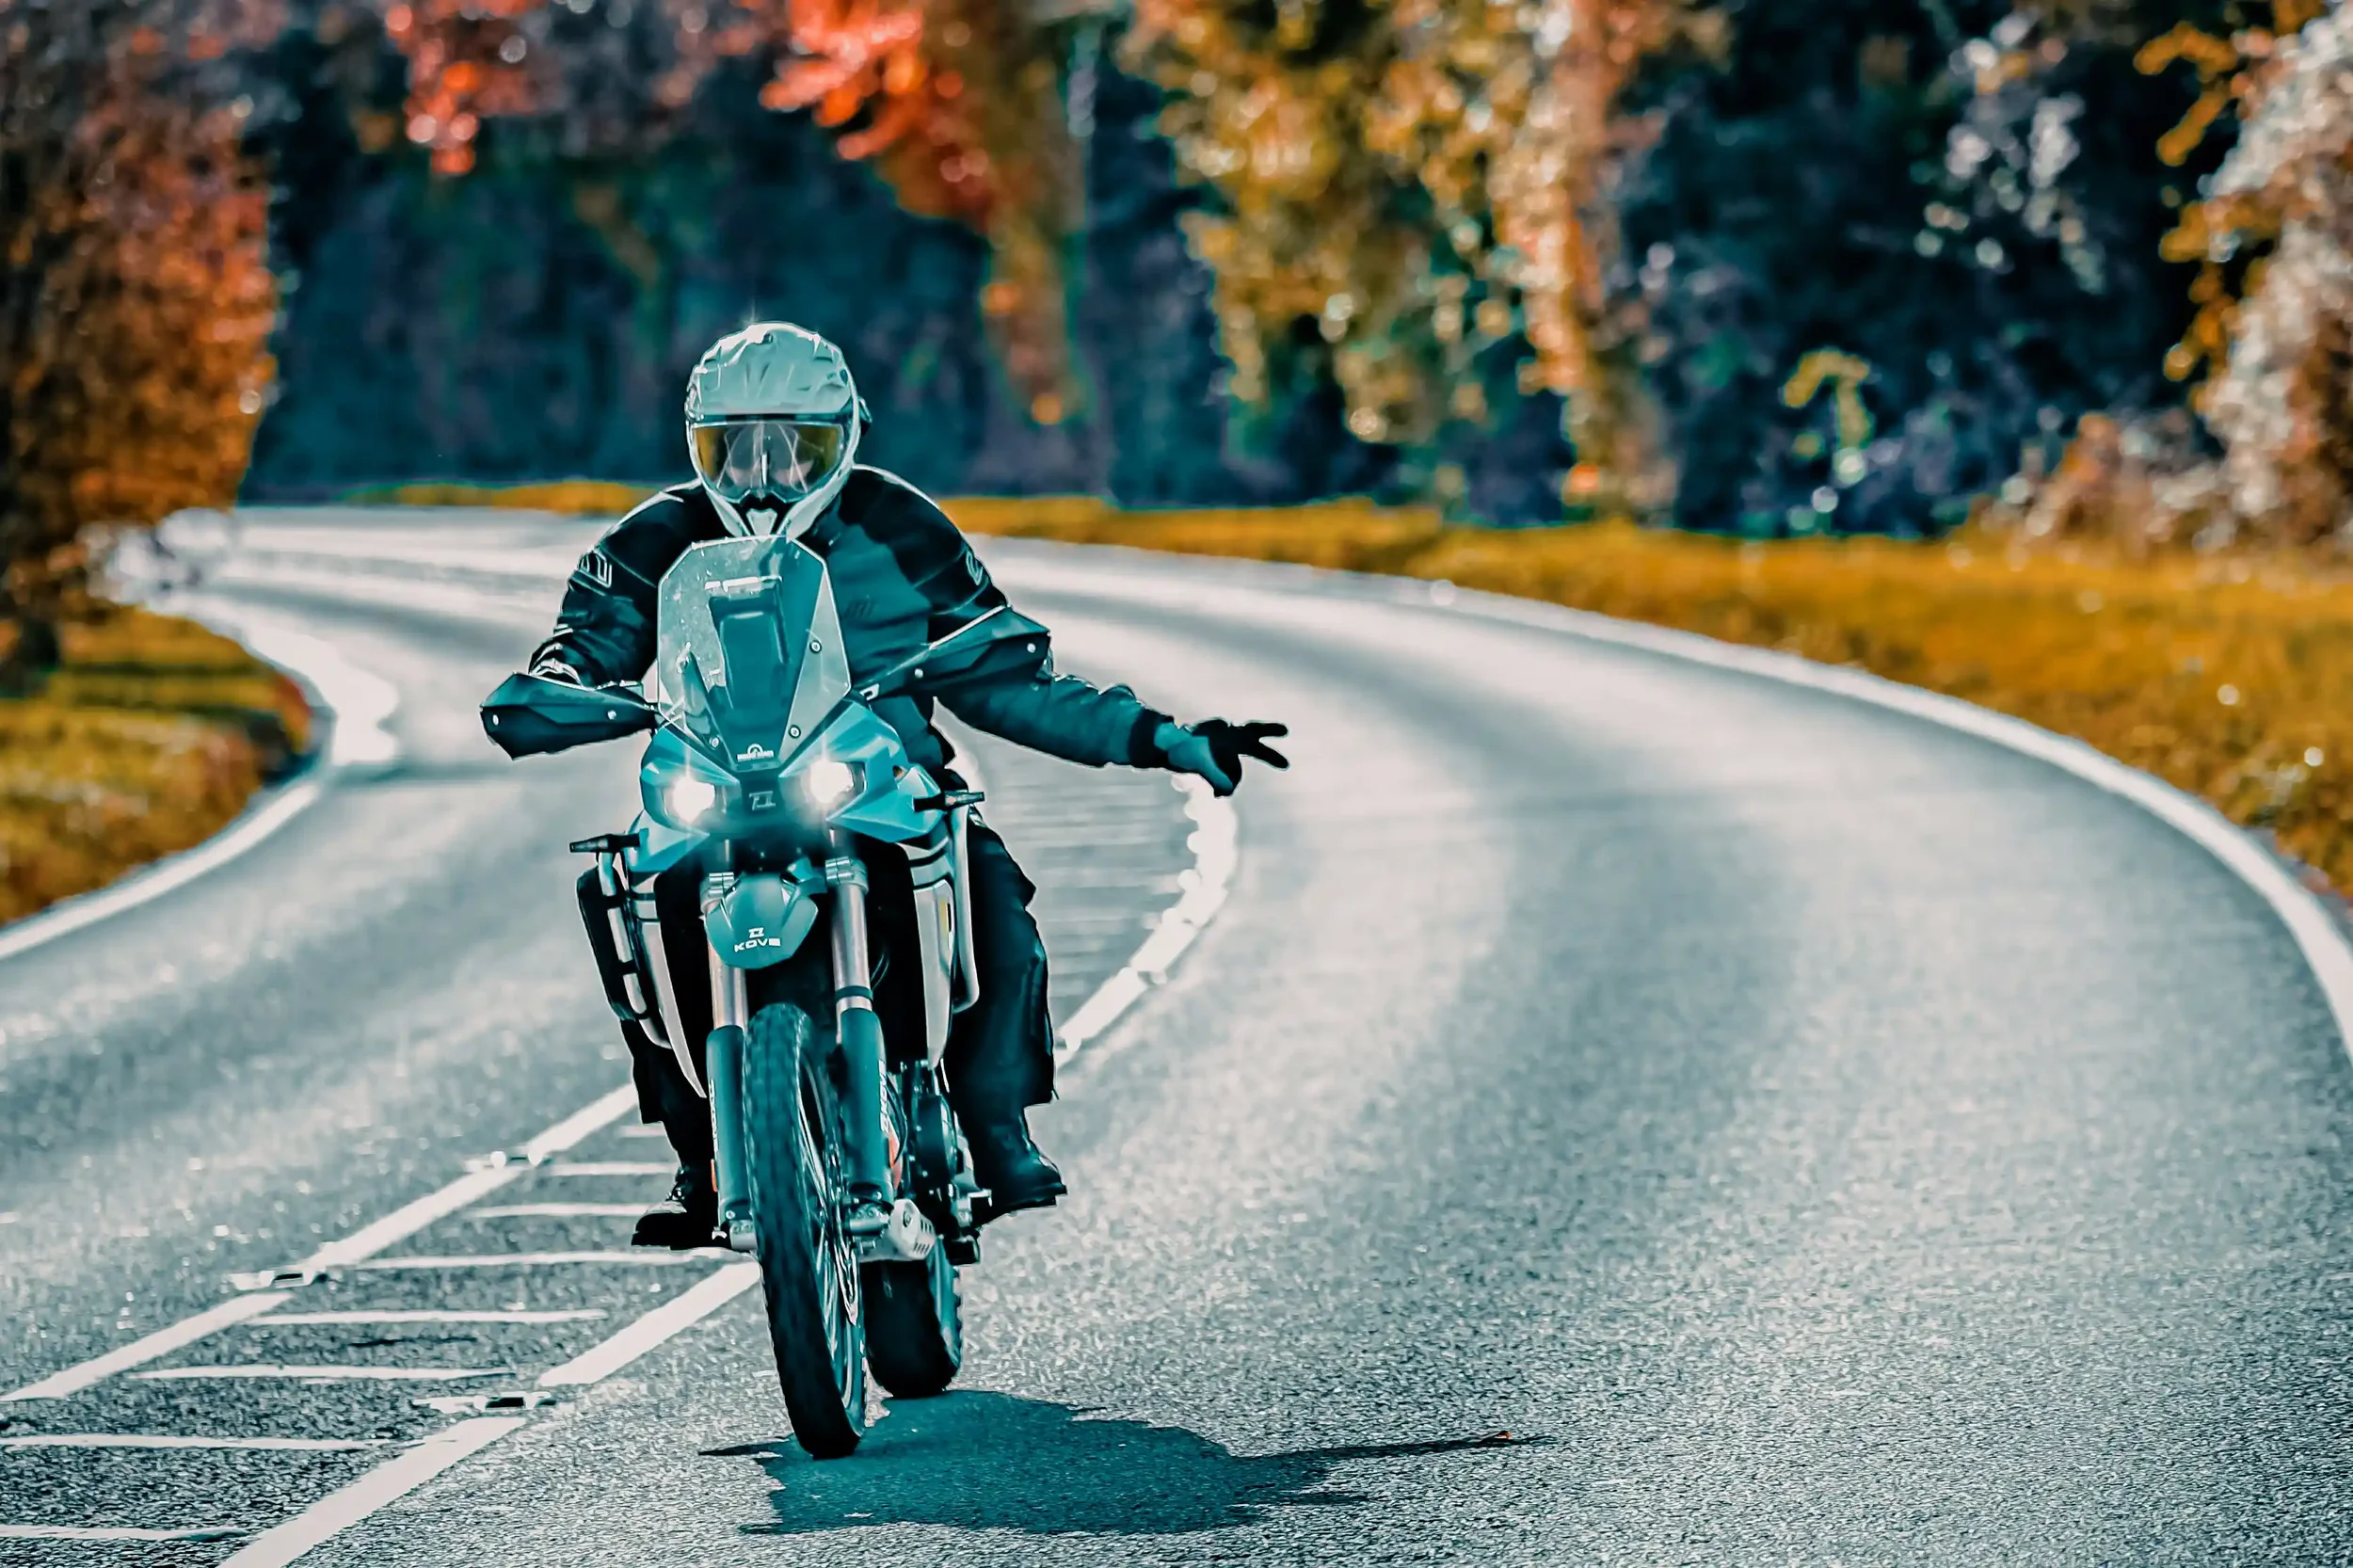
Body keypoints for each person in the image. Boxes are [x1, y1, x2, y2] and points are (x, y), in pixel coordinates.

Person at [520, 322, 1289, 1247]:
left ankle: (997, 1128)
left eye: (795, 449)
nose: (764, 478)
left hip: (873, 781)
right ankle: (701, 1150)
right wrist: (557, 687)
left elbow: (1005, 674)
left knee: (991, 889)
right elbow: (584, 638)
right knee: (626, 895)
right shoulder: (653, 540)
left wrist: (1160, 736)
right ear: (698, 446)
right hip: (713, 778)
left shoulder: (899, 524)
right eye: (734, 449)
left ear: (843, 441)